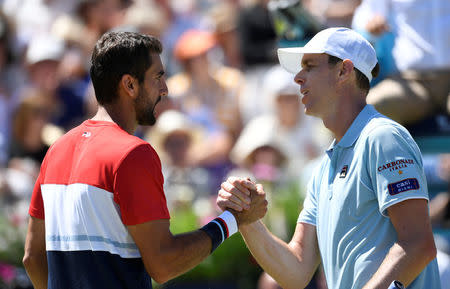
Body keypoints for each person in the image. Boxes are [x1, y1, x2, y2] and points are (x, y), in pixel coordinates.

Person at [22, 31, 267, 289]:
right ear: (129, 85)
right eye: (158, 77)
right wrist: (233, 220)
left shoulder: (57, 150)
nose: (165, 88)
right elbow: (164, 264)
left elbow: (32, 259)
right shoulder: (133, 153)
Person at [217, 27, 440, 289]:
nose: (298, 78)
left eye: (310, 66)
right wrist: (247, 220)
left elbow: (418, 245)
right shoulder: (324, 168)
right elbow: (296, 271)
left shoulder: (382, 137)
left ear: (344, 71)